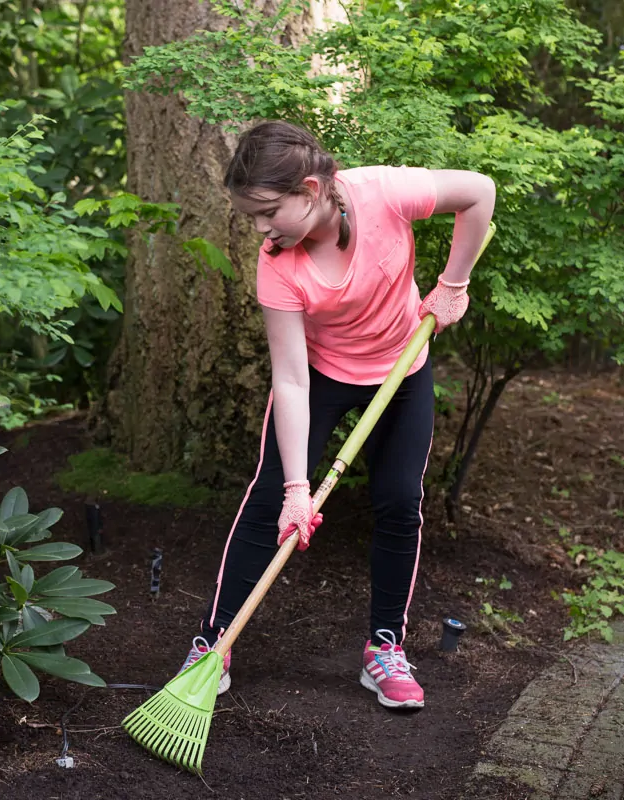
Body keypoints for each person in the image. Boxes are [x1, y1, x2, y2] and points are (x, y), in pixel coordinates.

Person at [180, 120, 496, 709]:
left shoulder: (383, 193)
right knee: (269, 497)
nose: (259, 228)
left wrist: (454, 283)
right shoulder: (276, 261)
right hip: (320, 378)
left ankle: (385, 648)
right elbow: (292, 378)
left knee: (401, 500)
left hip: (401, 368)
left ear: (310, 188)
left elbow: (479, 191)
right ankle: (214, 643)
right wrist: (299, 489)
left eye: (268, 211)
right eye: (251, 215)